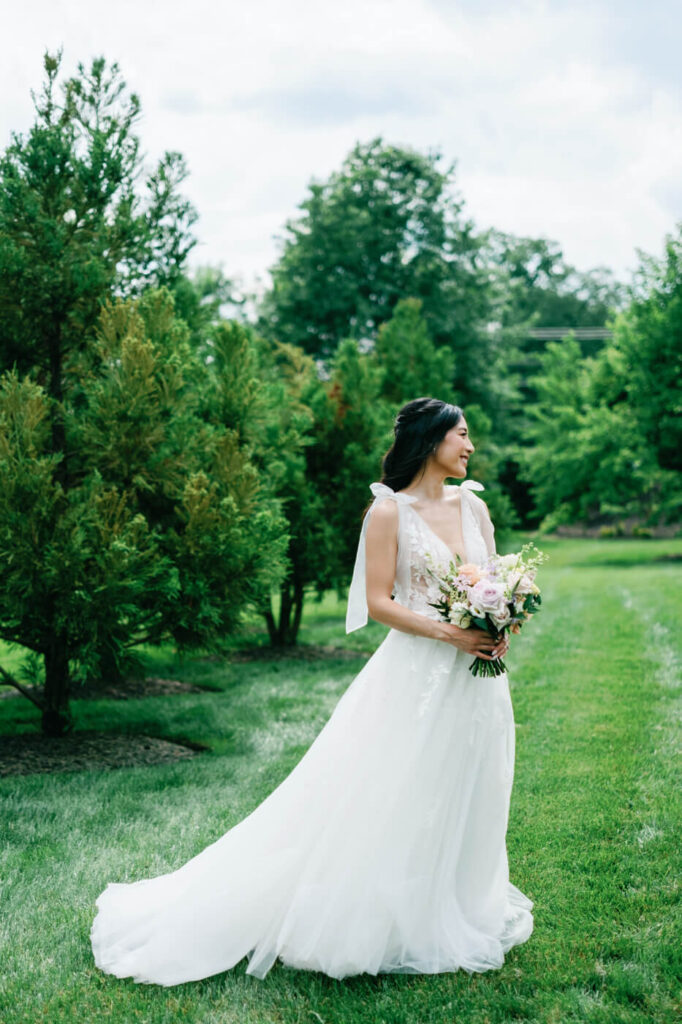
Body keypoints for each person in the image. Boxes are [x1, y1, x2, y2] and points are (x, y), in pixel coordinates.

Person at [91, 396, 533, 985]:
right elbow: (379, 602)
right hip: (416, 673)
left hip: (478, 678)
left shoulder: (474, 506)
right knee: (399, 788)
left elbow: (495, 574)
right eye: (462, 435)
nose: (471, 446)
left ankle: (458, 903)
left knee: (474, 780)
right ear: (432, 442)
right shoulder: (388, 513)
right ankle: (387, 915)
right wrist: (448, 632)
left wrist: (501, 621)